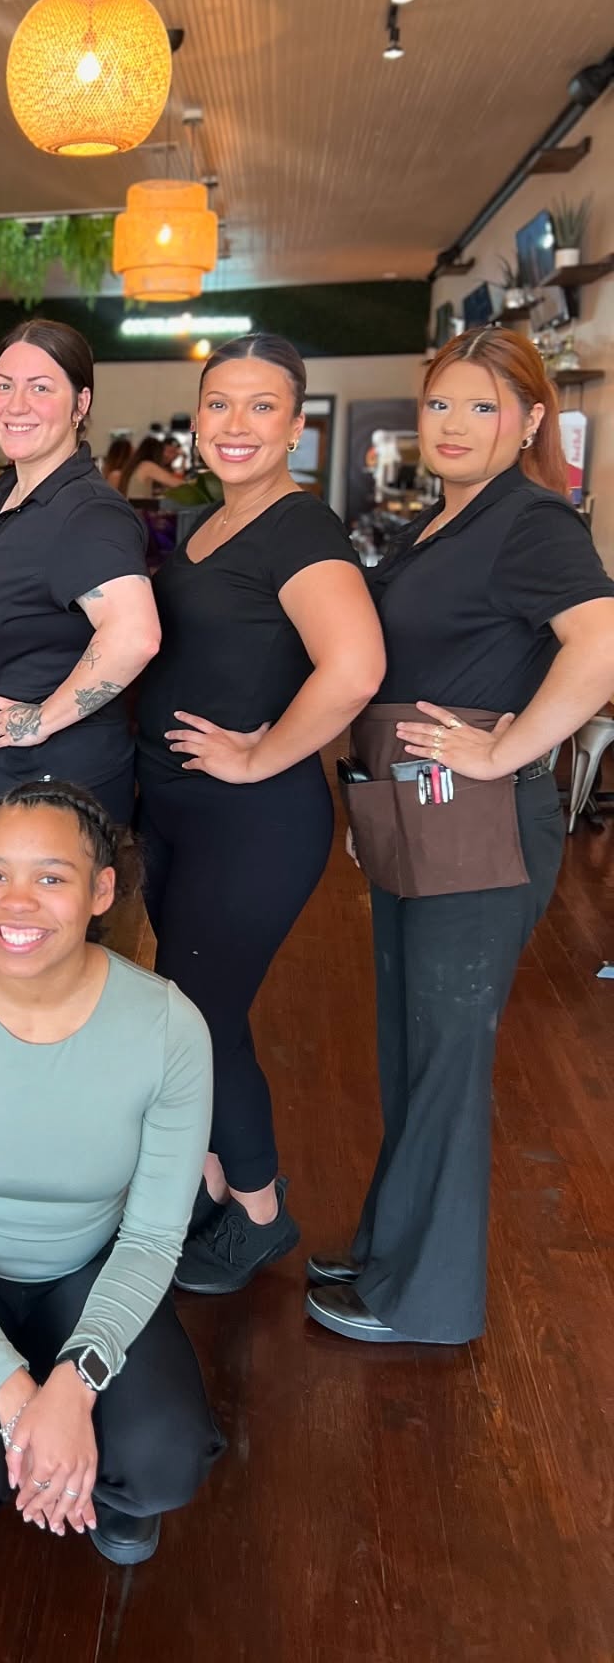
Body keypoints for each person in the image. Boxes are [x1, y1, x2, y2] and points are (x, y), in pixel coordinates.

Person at [308, 327, 614, 1344]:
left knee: (445, 1056)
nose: (454, 425)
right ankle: (393, 1250)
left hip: (477, 822)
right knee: (409, 1049)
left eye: (484, 407)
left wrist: (506, 749)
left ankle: (426, 1302)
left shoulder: (532, 522)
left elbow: (602, 644)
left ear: (530, 422)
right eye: (441, 403)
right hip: (418, 813)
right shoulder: (444, 521)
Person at [0, 780, 223, 1566]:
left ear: (101, 891)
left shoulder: (167, 1029)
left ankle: (102, 1477)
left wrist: (78, 1382)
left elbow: (155, 1235)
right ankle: (30, 1454)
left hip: (90, 1268)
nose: (14, 904)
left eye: (50, 878)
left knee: (161, 1462)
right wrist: (19, 1396)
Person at [136, 333, 385, 1293]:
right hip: (179, 813)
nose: (235, 425)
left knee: (199, 1018)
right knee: (195, 1006)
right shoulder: (203, 525)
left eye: (261, 407)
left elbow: (355, 666)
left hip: (253, 820)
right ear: (197, 418)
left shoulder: (298, 529)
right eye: (218, 405)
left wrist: (259, 754)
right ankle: (206, 1185)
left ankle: (261, 1214)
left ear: (295, 425)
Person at [0, 319, 159, 954]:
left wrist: (42, 719)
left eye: (41, 386)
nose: (17, 404)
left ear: (81, 403)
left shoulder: (86, 512)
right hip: (0, 791)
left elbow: (135, 633)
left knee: (25, 988)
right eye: (4, 385)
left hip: (49, 799)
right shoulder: (10, 498)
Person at [126, 433, 184, 500]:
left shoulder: (139, 465)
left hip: (135, 506)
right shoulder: (147, 466)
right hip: (139, 508)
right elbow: (177, 484)